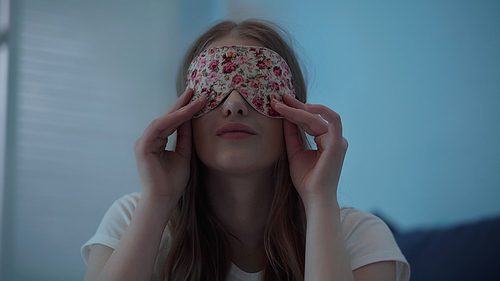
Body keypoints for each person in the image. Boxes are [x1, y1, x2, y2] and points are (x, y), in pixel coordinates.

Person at [81, 19, 410, 281]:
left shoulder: (360, 239)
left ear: (294, 112)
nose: (235, 105)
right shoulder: (130, 220)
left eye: (259, 84)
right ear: (184, 114)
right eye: (214, 87)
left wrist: (320, 198)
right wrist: (158, 200)